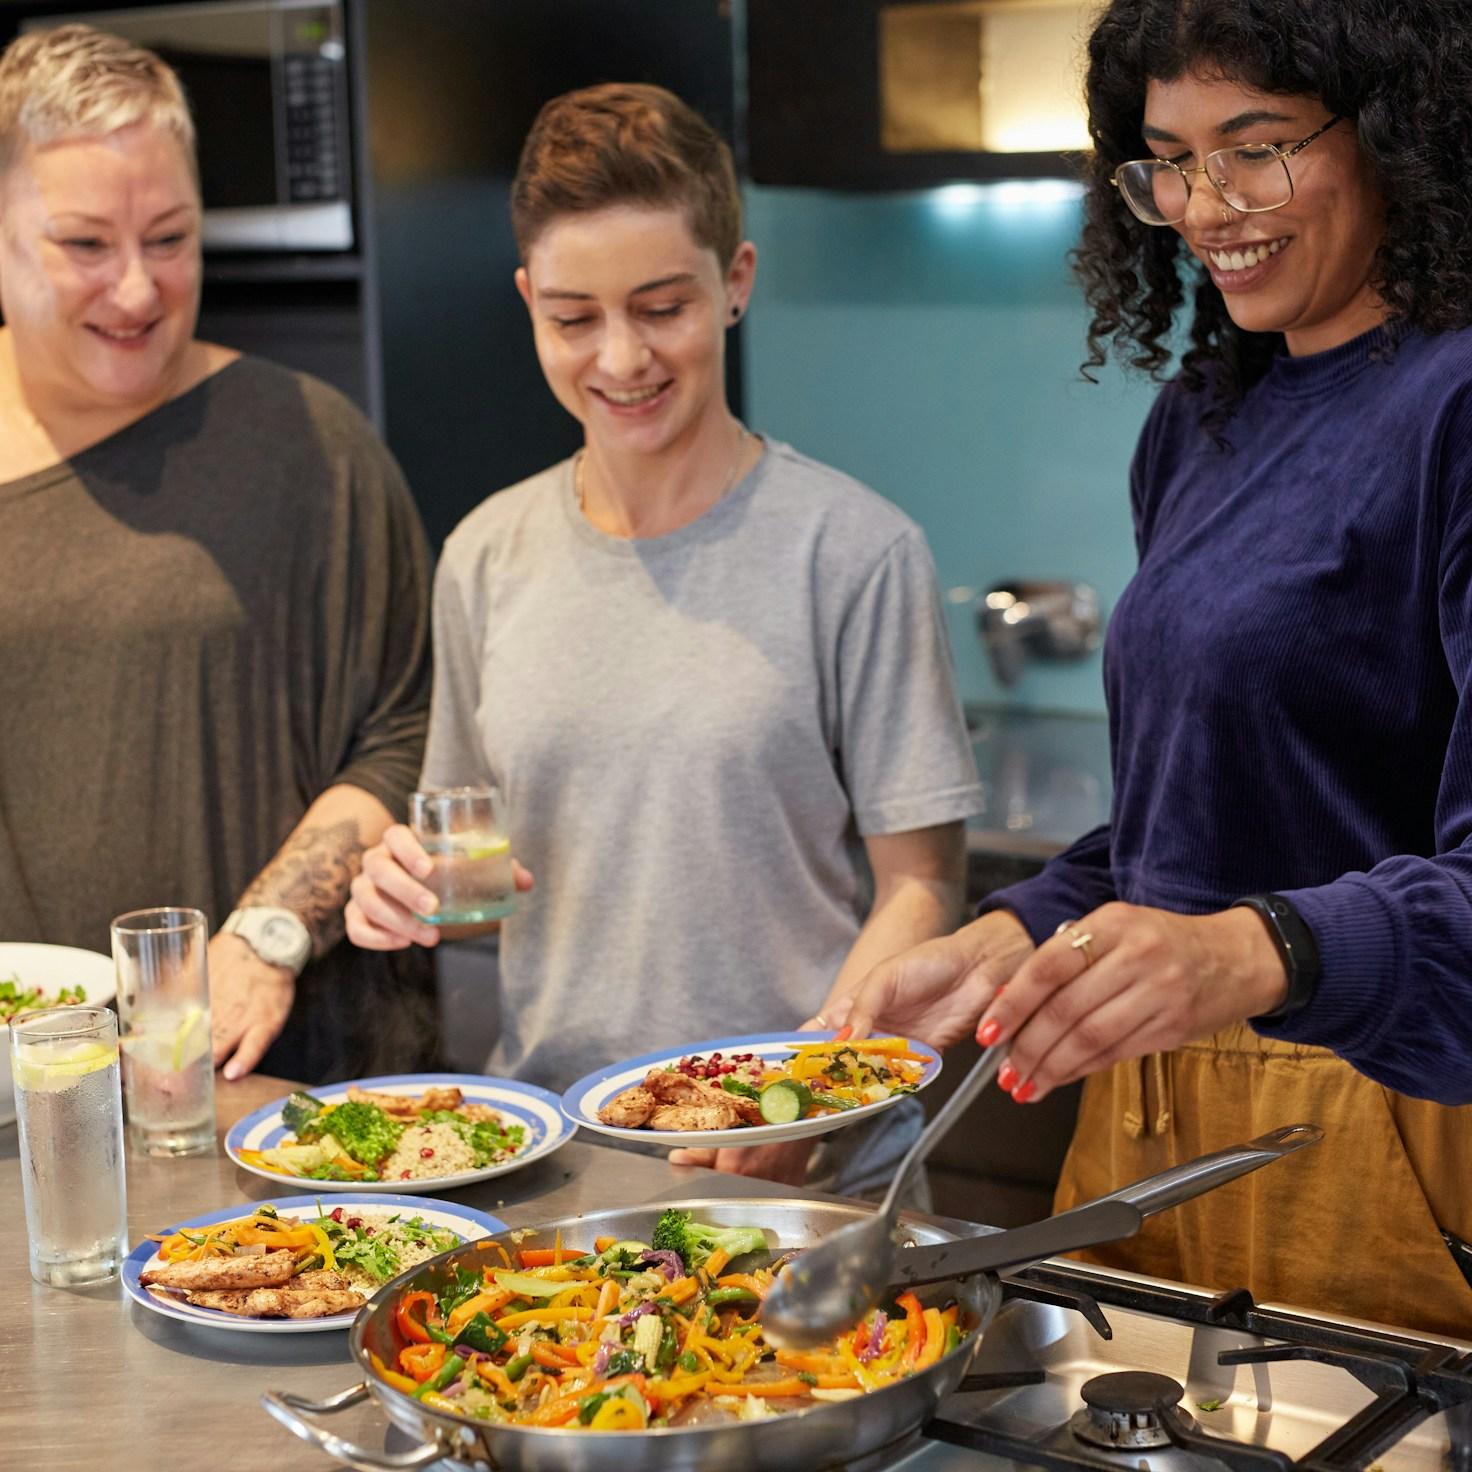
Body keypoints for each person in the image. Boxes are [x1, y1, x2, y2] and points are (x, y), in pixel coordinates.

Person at [842, 0, 1472, 1334]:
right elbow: (1198, 823)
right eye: (1168, 158)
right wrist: (1013, 932)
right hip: (1145, 1117)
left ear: (1397, 137)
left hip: (1392, 1135)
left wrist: (1264, 950)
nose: (1205, 203)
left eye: (1256, 147)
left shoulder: (1454, 405)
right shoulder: (1206, 417)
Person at [346, 83, 981, 1194]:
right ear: (526, 302)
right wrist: (400, 889)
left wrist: (814, 1088)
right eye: (572, 316)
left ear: (733, 283)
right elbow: (469, 880)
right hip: (561, 1172)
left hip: (804, 1178)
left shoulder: (855, 550)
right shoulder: (485, 552)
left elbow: (921, 888)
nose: (620, 357)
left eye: (659, 306)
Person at [0, 25, 434, 1083]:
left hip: (274, 1090)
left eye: (170, 238)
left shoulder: (309, 443)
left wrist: (266, 935)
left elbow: (406, 730)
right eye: (86, 245)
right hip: (30, 1107)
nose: (139, 291)